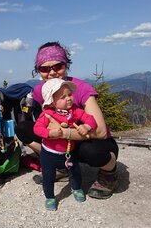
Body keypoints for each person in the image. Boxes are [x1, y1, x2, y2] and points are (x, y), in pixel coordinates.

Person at [15, 41, 119, 200]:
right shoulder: (39, 91)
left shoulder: (81, 88)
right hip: (64, 143)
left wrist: (61, 133)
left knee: (92, 152)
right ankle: (60, 166)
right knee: (23, 128)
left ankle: (109, 172)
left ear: (66, 65)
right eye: (44, 68)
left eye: (58, 66)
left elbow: (101, 132)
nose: (51, 73)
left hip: (93, 141)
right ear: (38, 71)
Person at [34, 78, 97, 210]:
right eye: (63, 97)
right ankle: (50, 197)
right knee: (48, 176)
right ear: (52, 102)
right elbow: (37, 129)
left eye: (69, 94)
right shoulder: (47, 114)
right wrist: (49, 134)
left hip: (69, 151)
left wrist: (86, 126)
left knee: (75, 171)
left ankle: (77, 188)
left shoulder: (74, 111)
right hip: (49, 154)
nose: (68, 98)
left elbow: (90, 119)